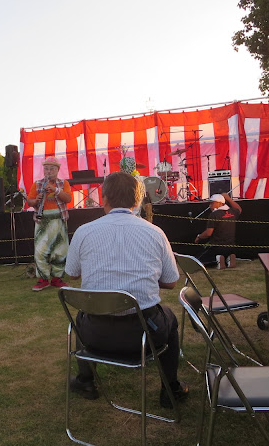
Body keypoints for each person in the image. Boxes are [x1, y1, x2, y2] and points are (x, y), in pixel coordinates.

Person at [65, 171, 188, 408]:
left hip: (94, 334)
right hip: (144, 335)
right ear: (137, 200)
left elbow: (72, 273)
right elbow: (171, 281)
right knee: (169, 318)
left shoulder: (83, 231)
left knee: (82, 315)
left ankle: (86, 381)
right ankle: (170, 389)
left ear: (105, 198)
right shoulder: (155, 232)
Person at [26, 157, 72, 292]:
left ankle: (57, 278)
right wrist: (35, 201)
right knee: (40, 251)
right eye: (46, 168)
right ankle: (43, 278)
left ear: (57, 170)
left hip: (59, 221)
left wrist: (55, 190)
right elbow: (29, 201)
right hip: (42, 221)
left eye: (52, 168)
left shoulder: (64, 184)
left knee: (60, 251)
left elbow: (68, 199)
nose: (48, 171)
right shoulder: (37, 184)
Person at [194, 192, 242, 269]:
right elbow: (239, 209)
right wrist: (228, 198)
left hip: (217, 247)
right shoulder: (232, 212)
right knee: (226, 251)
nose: (210, 206)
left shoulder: (214, 215)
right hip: (231, 246)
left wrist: (199, 237)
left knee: (198, 260)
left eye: (212, 203)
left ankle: (219, 259)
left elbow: (208, 233)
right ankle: (229, 257)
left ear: (219, 204)